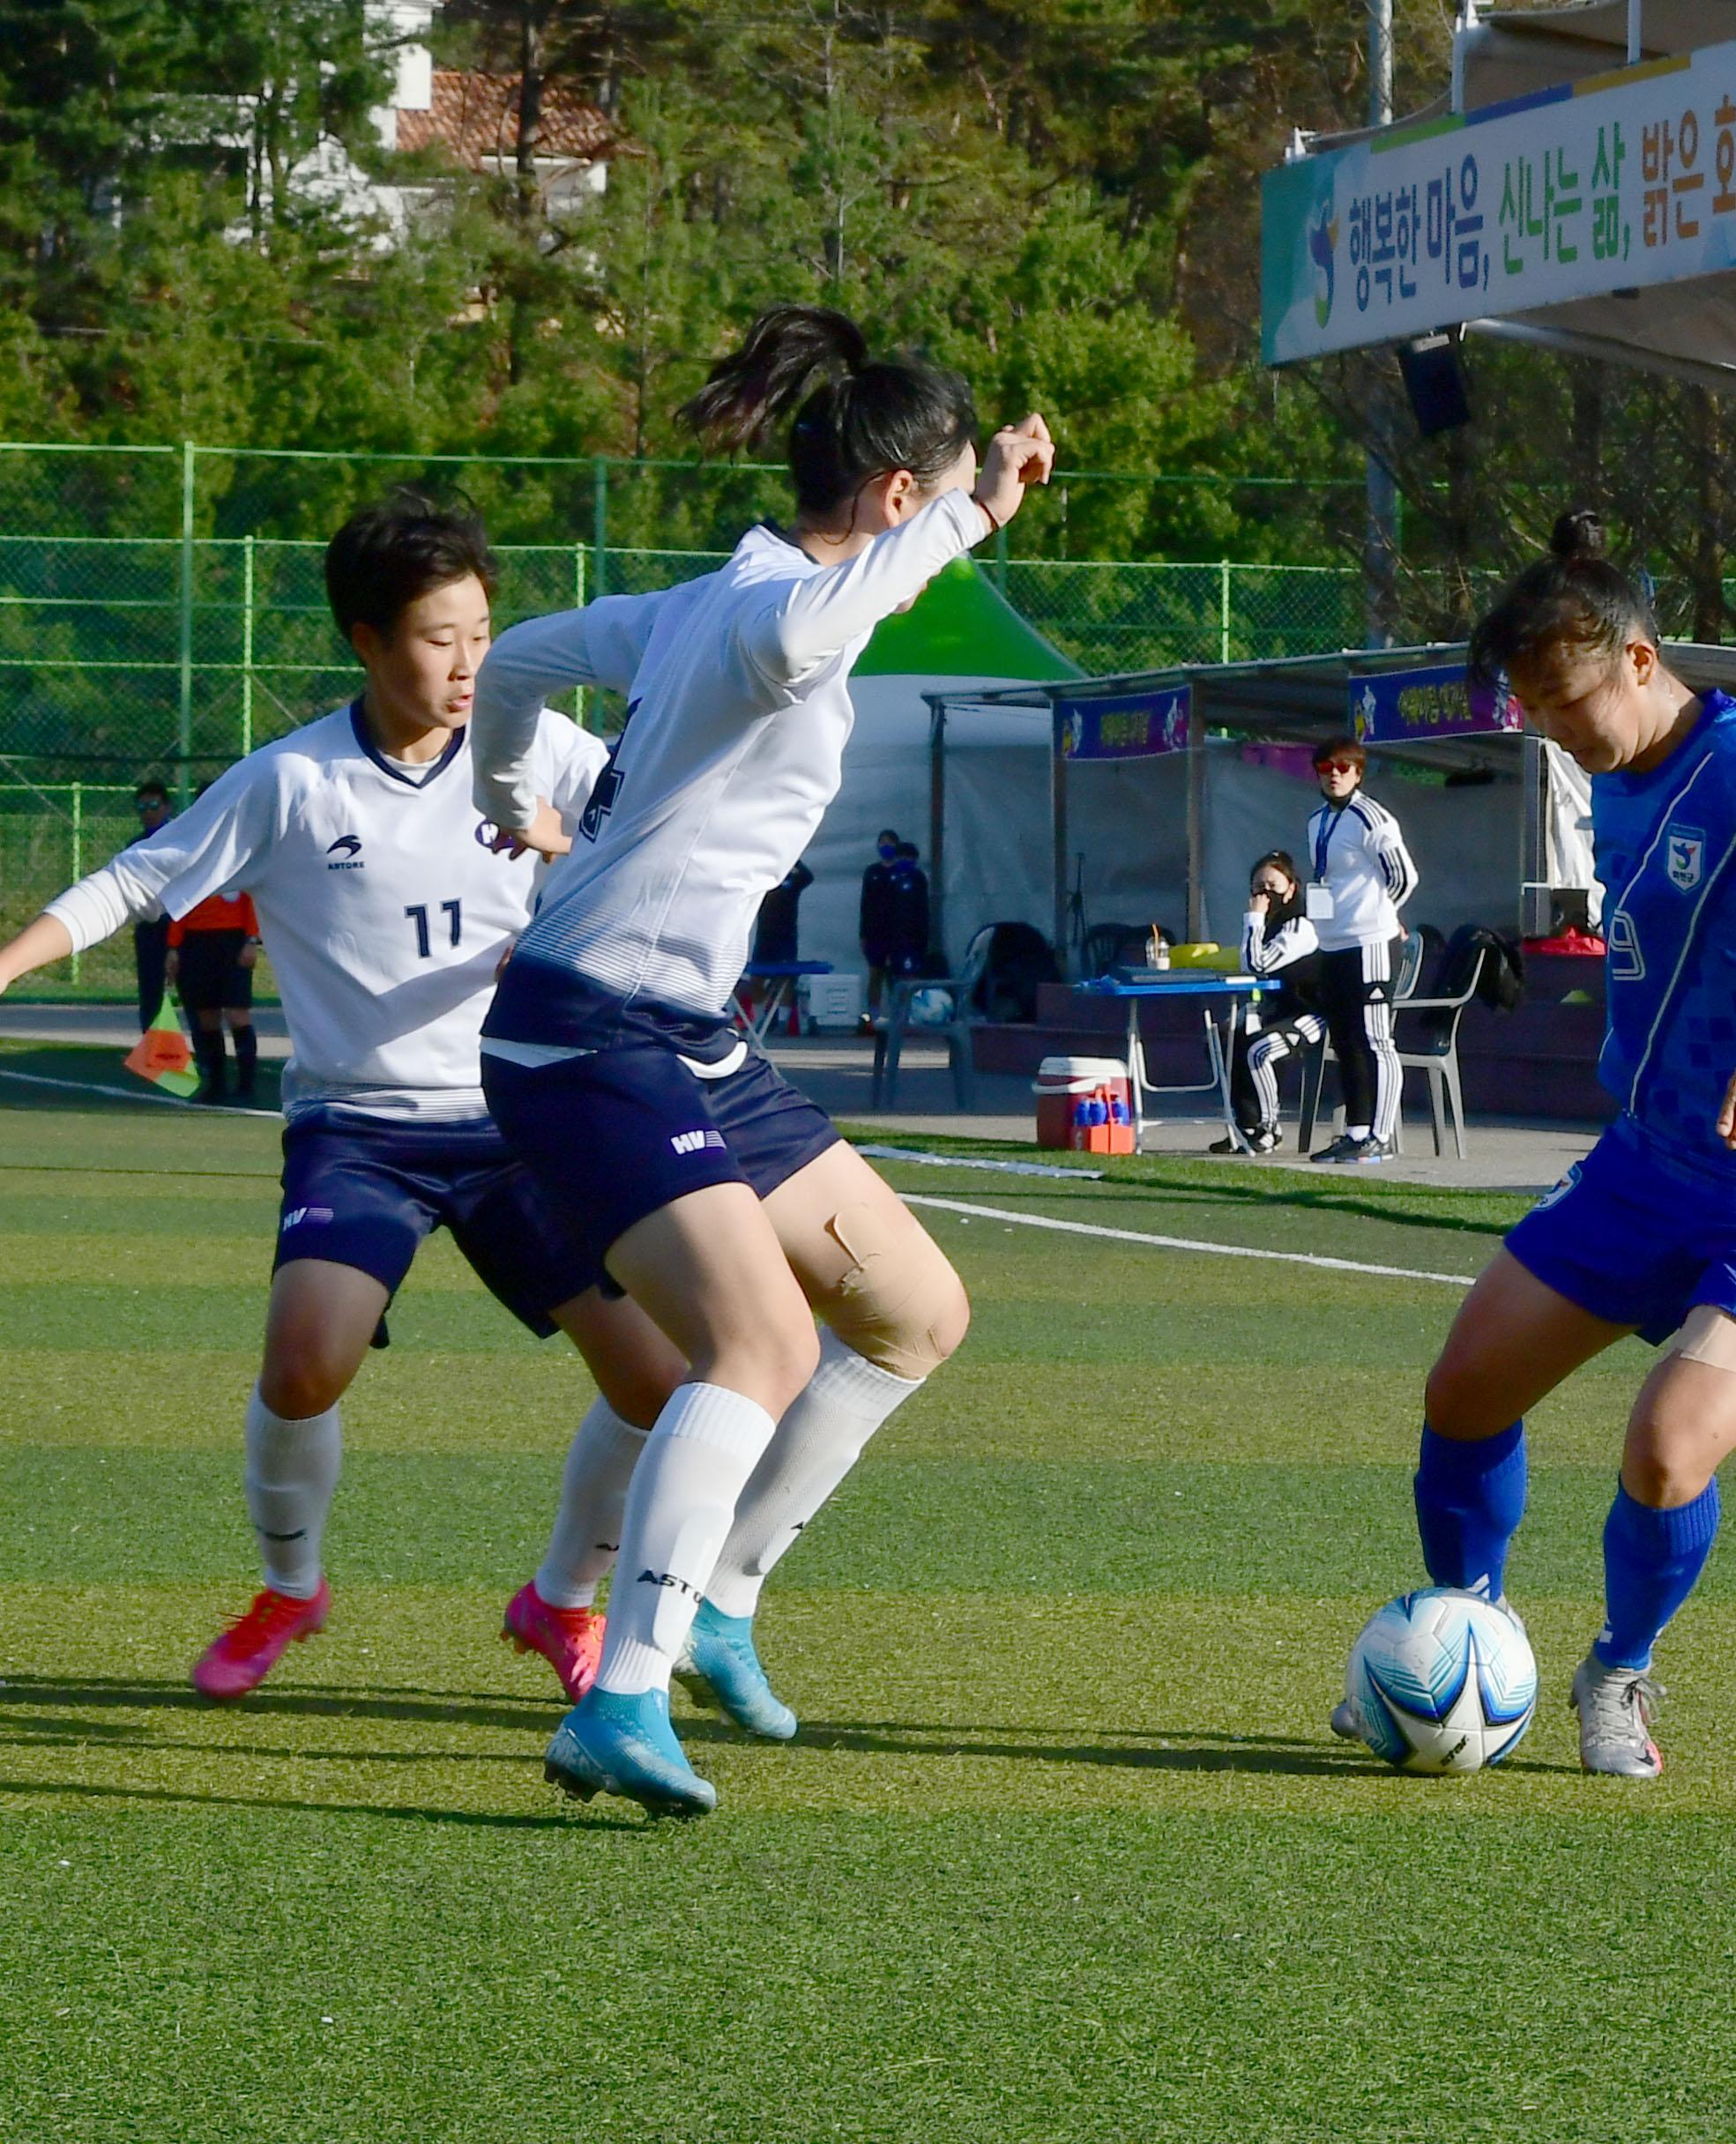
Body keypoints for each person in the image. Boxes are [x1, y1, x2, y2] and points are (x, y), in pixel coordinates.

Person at [466, 302, 1054, 1815]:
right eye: (933, 506)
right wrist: (981, 514)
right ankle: (623, 1687)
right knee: (758, 1348)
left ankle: (716, 1596)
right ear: (899, 499)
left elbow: (520, 656)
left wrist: (517, 794)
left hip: (686, 1039)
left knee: (914, 1312)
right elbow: (802, 633)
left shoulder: (704, 600)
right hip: (582, 1034)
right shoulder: (765, 614)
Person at [0, 491, 688, 1706]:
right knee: (305, 1364)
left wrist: (572, 858)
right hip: (360, 1129)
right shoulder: (294, 782)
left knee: (656, 1379)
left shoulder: (545, 748)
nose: (473, 663)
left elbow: (658, 847)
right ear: (368, 641)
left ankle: (560, 1603)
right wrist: (9, 962)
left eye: (485, 631)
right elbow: (135, 882)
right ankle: (291, 1587)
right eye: (440, 638)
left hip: (527, 1114)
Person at [1344, 509, 1736, 1777]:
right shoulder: (1613, 772)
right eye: (1532, 705)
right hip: (1657, 1163)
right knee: (1466, 1386)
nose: (1551, 725)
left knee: (1665, 1445)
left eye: (1563, 699)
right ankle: (1462, 1642)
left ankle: (1620, 1675)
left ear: (1641, 660)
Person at [1303, 735, 1419, 1165]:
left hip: (1370, 942)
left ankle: (1381, 1134)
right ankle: (1355, 1130)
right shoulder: (1317, 821)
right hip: (1333, 944)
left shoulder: (1372, 818)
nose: (1335, 775)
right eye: (1326, 767)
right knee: (1345, 1039)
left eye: (1344, 768)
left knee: (1375, 1038)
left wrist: (1381, 917)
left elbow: (1404, 877)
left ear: (1358, 773)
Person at [1216, 850, 1324, 1157]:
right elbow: (1247, 959)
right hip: (1278, 1008)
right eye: (1258, 886)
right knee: (1227, 1037)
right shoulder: (1267, 926)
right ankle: (1245, 1125)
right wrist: (1257, 924)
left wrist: (1254, 919)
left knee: (1260, 1050)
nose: (1265, 894)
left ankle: (1269, 1127)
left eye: (1272, 886)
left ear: (1291, 889)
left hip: (1313, 1012)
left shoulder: (1300, 926)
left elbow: (1257, 964)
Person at [168, 885, 264, 1102]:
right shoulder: (192, 866)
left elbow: (251, 898)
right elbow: (179, 903)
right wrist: (173, 946)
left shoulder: (237, 862)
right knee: (206, 1016)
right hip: (195, 941)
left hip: (233, 939)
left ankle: (246, 1086)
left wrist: (251, 939)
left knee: (236, 1013)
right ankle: (216, 1085)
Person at [857, 828, 929, 1024]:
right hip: (876, 933)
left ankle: (903, 1016)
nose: (885, 846)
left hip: (901, 936)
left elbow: (920, 910)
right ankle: (873, 1017)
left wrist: (920, 939)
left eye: (890, 843)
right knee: (876, 974)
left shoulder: (913, 877)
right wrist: (864, 933)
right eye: (882, 842)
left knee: (901, 976)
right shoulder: (873, 872)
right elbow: (866, 905)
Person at [129, 778, 175, 1029]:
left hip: (180, 923)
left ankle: (207, 1053)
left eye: (154, 805)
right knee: (150, 989)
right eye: (142, 807)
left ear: (167, 807)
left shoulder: (177, 838)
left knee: (194, 990)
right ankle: (151, 1045)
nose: (148, 812)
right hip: (151, 925)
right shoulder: (136, 846)